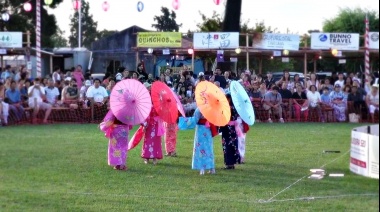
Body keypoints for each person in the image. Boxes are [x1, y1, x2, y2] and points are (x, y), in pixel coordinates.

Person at [187, 108, 217, 175]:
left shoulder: (199, 109)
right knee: (209, 148)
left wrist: (185, 122)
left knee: (200, 148)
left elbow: (195, 120)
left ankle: (202, 168)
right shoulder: (211, 108)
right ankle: (212, 168)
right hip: (208, 129)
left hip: (201, 129)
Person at [219, 94, 241, 170]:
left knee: (227, 146)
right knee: (232, 145)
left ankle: (229, 164)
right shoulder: (234, 107)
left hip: (227, 128)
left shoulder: (227, 108)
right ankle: (232, 163)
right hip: (232, 128)